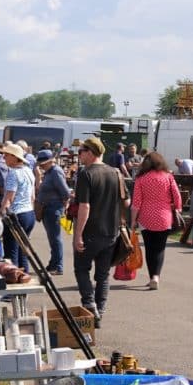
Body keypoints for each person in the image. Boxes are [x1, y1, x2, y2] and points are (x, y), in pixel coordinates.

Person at [72, 137, 128, 327]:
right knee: (103, 275)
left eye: (81, 151)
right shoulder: (116, 173)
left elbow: (84, 206)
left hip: (90, 232)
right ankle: (100, 312)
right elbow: (126, 202)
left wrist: (78, 234)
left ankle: (89, 305)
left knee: (81, 269)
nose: (79, 155)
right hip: (111, 232)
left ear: (90, 152)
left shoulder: (86, 174)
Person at [130, 152, 182, 290]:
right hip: (164, 217)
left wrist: (133, 221)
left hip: (146, 217)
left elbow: (136, 203)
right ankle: (156, 277)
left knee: (149, 248)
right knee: (160, 248)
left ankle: (151, 276)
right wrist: (178, 209)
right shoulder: (168, 177)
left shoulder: (141, 179)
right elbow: (177, 196)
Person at [0, 143, 36, 273]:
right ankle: (24, 278)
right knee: (23, 250)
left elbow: (9, 198)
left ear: (14, 157)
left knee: (11, 251)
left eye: (6, 155)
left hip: (16, 215)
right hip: (29, 213)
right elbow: (32, 196)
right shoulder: (28, 171)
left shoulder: (13, 173)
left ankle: (12, 283)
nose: (4, 158)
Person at [36, 149, 71, 274]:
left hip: (53, 208)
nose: (41, 165)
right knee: (53, 238)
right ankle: (53, 264)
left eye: (43, 163)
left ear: (50, 161)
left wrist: (63, 204)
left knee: (55, 238)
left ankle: (58, 266)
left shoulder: (55, 172)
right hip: (49, 208)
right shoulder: (50, 172)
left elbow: (65, 192)